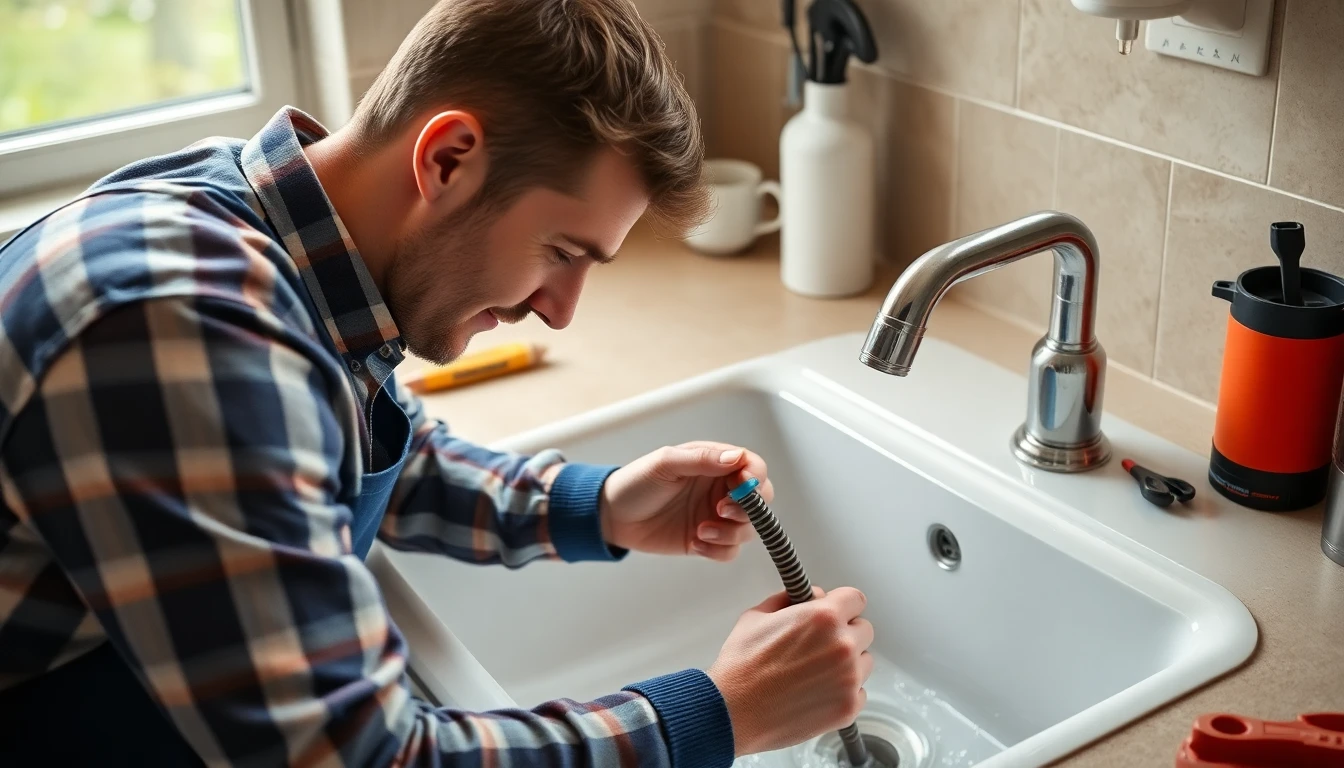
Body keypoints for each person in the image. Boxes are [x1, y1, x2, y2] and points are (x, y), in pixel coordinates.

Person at [0, 1, 874, 765]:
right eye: (562, 252)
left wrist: (597, 506)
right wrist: (719, 714)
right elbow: (364, 758)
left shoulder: (265, 231)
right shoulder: (179, 328)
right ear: (448, 159)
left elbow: (347, 451)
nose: (560, 311)